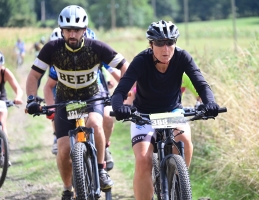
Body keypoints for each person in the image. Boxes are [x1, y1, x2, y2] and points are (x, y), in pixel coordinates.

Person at [25, 5, 129, 200]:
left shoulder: (96, 47)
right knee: (63, 149)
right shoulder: (52, 49)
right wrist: (31, 99)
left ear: (84, 30)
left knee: (95, 123)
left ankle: (100, 170)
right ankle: (67, 188)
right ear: (62, 30)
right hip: (65, 100)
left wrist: (121, 94)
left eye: (77, 30)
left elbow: (124, 66)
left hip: (92, 96)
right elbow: (33, 76)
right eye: (68, 30)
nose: (72, 34)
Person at [111, 20, 220, 200]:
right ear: (151, 44)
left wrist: (210, 102)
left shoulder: (182, 57)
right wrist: (120, 107)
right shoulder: (141, 61)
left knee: (184, 139)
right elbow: (120, 91)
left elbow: (201, 84)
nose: (165, 48)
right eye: (160, 43)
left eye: (170, 43)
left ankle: (179, 185)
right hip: (144, 116)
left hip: (173, 113)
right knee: (144, 160)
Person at [44, 27, 118, 171]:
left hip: (97, 96)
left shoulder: (98, 56)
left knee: (106, 118)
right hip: (69, 99)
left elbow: (115, 72)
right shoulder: (58, 61)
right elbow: (48, 85)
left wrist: (125, 90)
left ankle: (105, 147)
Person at [0, 52, 23, 166]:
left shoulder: (4, 72)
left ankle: (4, 154)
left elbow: (18, 88)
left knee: (2, 122)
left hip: (2, 101)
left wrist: (18, 98)